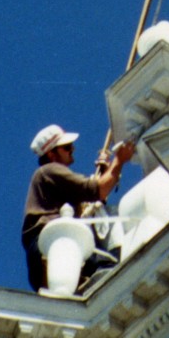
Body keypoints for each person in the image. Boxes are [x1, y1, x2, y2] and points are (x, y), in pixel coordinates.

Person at [21, 124, 136, 292]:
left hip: (48, 254)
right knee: (108, 221)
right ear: (51, 154)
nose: (72, 149)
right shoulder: (49, 171)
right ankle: (106, 269)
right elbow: (98, 190)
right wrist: (119, 160)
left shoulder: (50, 179)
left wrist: (105, 171)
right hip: (55, 246)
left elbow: (89, 200)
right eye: (66, 147)